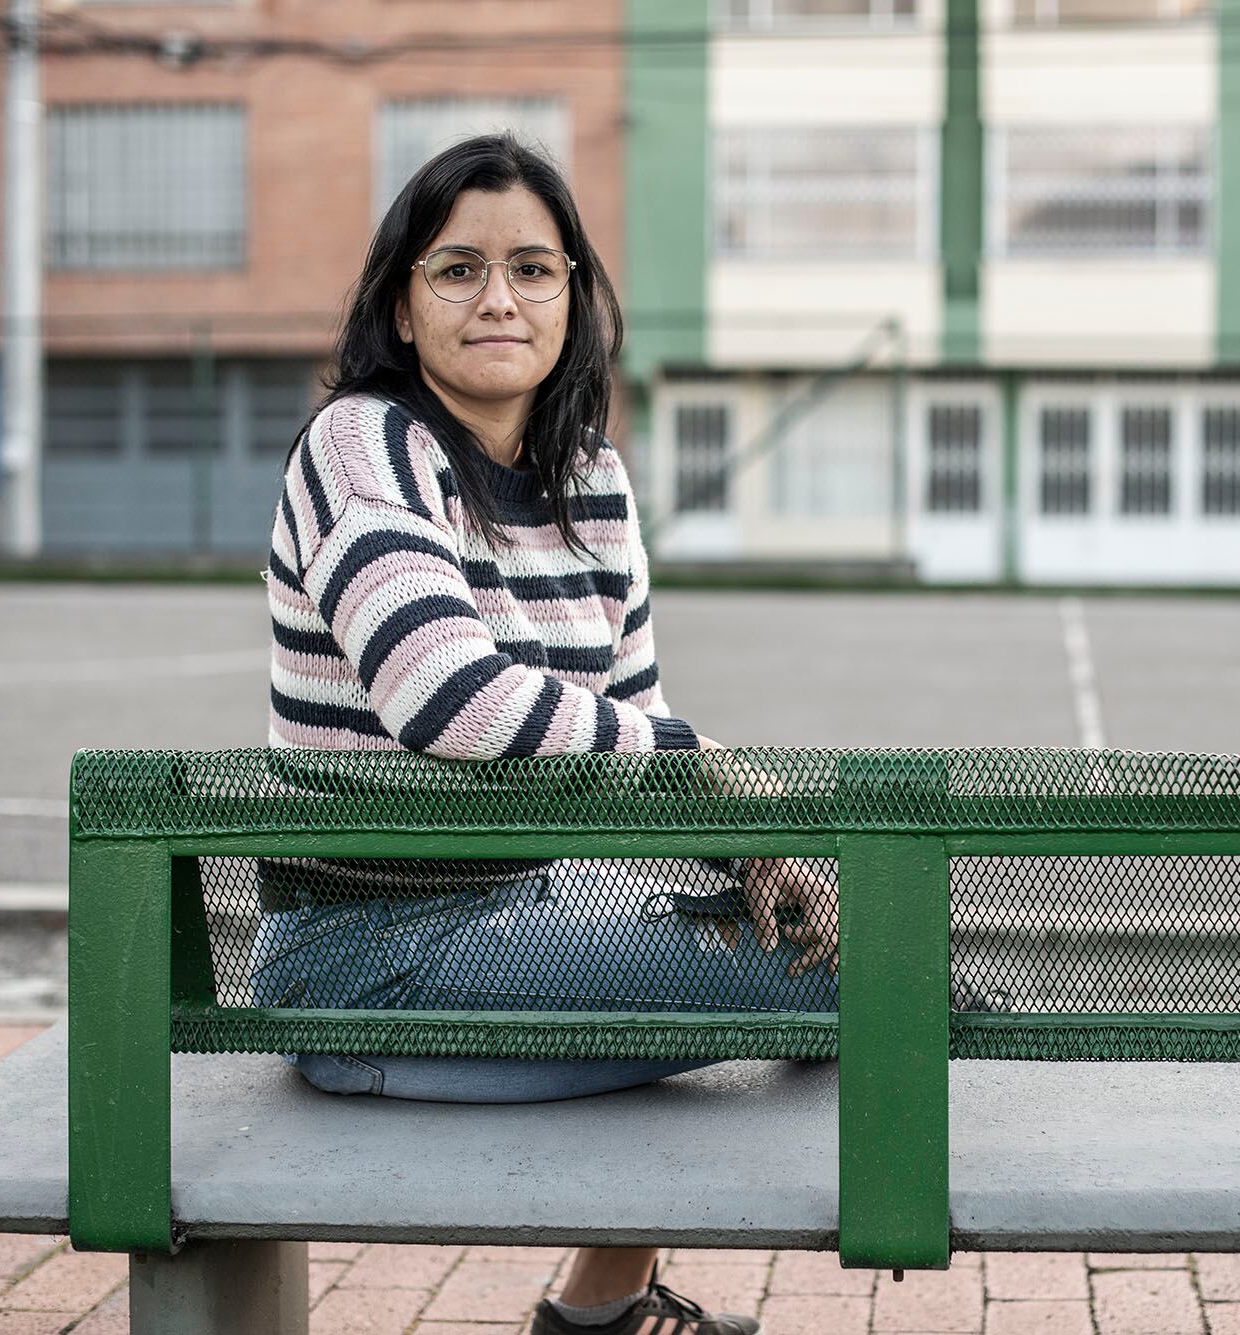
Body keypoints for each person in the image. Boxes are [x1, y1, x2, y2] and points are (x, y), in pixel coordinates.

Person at [251, 133, 835, 1335]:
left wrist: (747, 850)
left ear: (574, 295)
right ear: (402, 309)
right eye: (456, 268)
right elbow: (444, 698)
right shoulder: (366, 444)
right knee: (863, 974)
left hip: (515, 922)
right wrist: (706, 773)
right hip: (367, 960)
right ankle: (604, 1317)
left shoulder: (594, 482)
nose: (499, 297)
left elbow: (630, 729)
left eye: (533, 266)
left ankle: (598, 1309)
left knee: (815, 939)